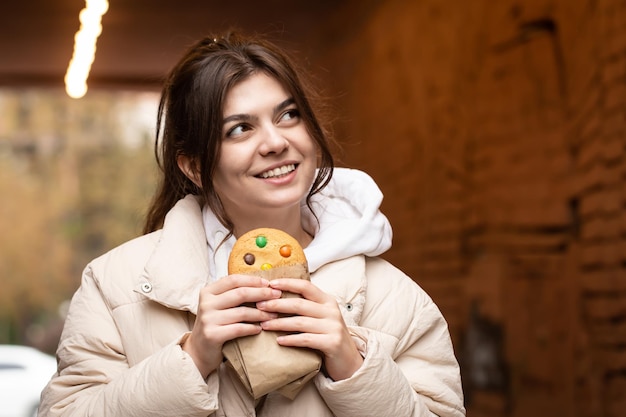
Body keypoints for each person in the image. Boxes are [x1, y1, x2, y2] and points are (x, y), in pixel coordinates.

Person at [39, 31, 465, 416]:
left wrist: (353, 365)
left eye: (288, 115)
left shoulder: (397, 301)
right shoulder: (114, 286)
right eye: (240, 129)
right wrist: (192, 358)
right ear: (194, 167)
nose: (276, 142)